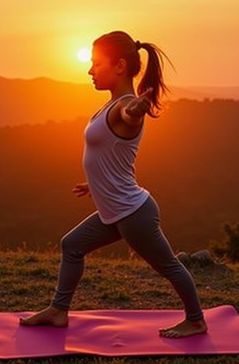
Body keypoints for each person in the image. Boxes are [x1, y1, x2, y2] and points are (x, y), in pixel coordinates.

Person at [20, 30, 208, 338]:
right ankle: (58, 311)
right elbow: (111, 156)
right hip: (116, 209)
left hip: (133, 214)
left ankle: (196, 320)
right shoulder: (110, 105)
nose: (90, 70)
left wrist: (136, 111)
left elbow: (130, 116)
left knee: (169, 267)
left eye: (96, 64)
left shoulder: (125, 106)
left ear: (119, 66)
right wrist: (95, 184)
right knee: (72, 245)